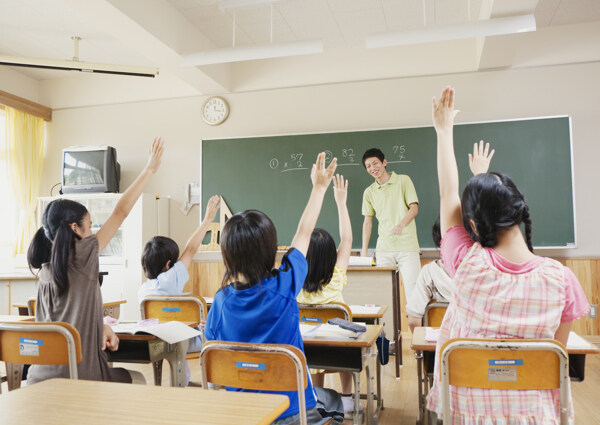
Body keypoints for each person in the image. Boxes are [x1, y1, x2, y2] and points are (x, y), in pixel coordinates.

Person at [426, 86, 589, 423]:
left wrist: (444, 132)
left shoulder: (466, 263)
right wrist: (484, 182)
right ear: (520, 208)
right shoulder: (562, 280)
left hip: (468, 410)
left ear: (473, 223)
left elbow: (447, 194)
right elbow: (553, 359)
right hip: (534, 414)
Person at [204, 152, 344, 425]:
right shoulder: (285, 284)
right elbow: (304, 234)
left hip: (241, 413)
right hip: (290, 412)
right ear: (269, 251)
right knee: (335, 401)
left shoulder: (220, 302)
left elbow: (211, 348)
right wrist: (319, 188)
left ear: (227, 256)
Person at [26, 137, 165, 385]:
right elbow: (120, 211)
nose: (92, 232)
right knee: (138, 380)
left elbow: (67, 317)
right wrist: (150, 169)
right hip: (80, 379)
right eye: (89, 226)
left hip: (40, 380)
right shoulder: (85, 254)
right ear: (75, 228)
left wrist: (99, 325)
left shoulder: (45, 267)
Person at [406, 141, 495, 333]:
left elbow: (414, 320)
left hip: (443, 350)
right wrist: (480, 176)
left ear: (441, 238)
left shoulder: (430, 273)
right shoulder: (492, 265)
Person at [138, 195, 220, 384]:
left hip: (156, 343)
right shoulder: (171, 278)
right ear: (168, 264)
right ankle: (212, 381)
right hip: (184, 341)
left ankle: (183, 380)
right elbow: (190, 249)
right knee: (213, 327)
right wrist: (207, 219)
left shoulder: (143, 290)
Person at [296, 174, 356, 413]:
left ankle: (316, 395)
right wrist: (341, 203)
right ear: (332, 256)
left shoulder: (295, 282)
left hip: (306, 348)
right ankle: (348, 397)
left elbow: (301, 235)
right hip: (338, 349)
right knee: (343, 338)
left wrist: (316, 190)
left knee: (312, 346)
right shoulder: (336, 278)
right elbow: (348, 239)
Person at [361, 147, 421, 302]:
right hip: (383, 248)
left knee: (414, 293)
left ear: (384, 162)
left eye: (375, 163)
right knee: (383, 295)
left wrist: (401, 224)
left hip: (407, 246)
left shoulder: (403, 180)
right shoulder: (369, 192)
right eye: (368, 166)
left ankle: (414, 327)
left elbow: (414, 208)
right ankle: (385, 327)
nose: (373, 168)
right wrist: (364, 250)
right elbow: (368, 221)